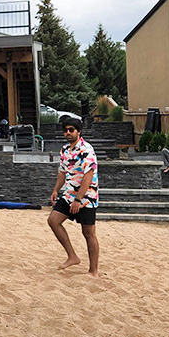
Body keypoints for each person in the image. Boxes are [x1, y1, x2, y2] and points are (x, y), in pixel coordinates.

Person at [47, 117, 100, 278]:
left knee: (88, 232)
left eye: (71, 130)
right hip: (69, 194)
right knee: (53, 221)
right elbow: (62, 172)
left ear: (79, 131)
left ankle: (93, 271)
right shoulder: (64, 150)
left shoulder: (87, 150)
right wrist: (56, 190)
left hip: (86, 197)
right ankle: (72, 256)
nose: (68, 133)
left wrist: (78, 200)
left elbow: (88, 176)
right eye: (66, 130)